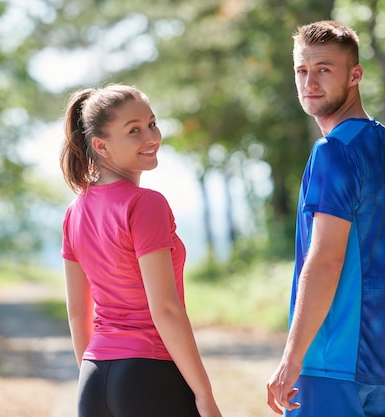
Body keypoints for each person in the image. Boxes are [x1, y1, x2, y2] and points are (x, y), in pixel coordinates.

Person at [266, 20, 385, 417]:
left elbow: (326, 258)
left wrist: (292, 358)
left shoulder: (333, 151)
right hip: (382, 359)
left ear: (355, 75)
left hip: (332, 358)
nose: (309, 81)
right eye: (302, 70)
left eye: (324, 69)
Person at [59, 83, 223, 417]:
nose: (151, 137)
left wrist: (95, 382)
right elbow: (165, 308)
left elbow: (78, 313)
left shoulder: (75, 212)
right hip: (149, 373)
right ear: (101, 146)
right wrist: (204, 396)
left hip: (93, 377)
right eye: (134, 131)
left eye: (151, 123)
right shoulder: (145, 204)